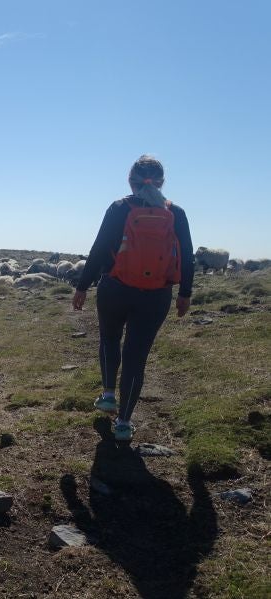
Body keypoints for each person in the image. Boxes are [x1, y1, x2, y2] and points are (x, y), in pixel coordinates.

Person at [72, 155, 194, 441]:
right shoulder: (176, 212)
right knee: (136, 357)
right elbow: (186, 256)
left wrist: (82, 285)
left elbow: (100, 248)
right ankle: (124, 424)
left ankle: (108, 395)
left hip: (115, 288)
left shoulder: (119, 208)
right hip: (156, 296)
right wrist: (185, 293)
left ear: (130, 180)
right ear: (162, 182)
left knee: (109, 339)